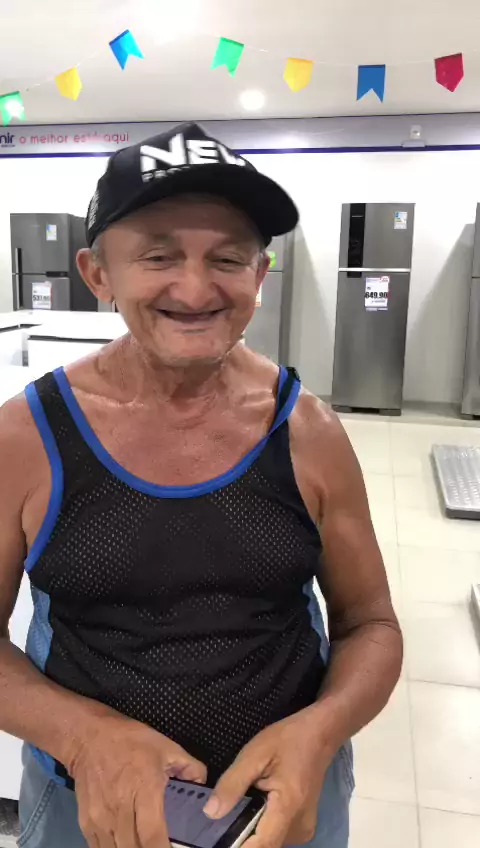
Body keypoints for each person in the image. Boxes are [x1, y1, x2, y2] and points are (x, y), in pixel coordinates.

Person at [0, 122, 402, 848]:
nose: (194, 288)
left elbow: (370, 624)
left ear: (259, 276)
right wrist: (84, 737)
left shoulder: (308, 430)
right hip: (87, 809)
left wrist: (320, 731)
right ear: (98, 274)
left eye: (227, 257)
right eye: (158, 255)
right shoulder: (26, 438)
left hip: (282, 808)